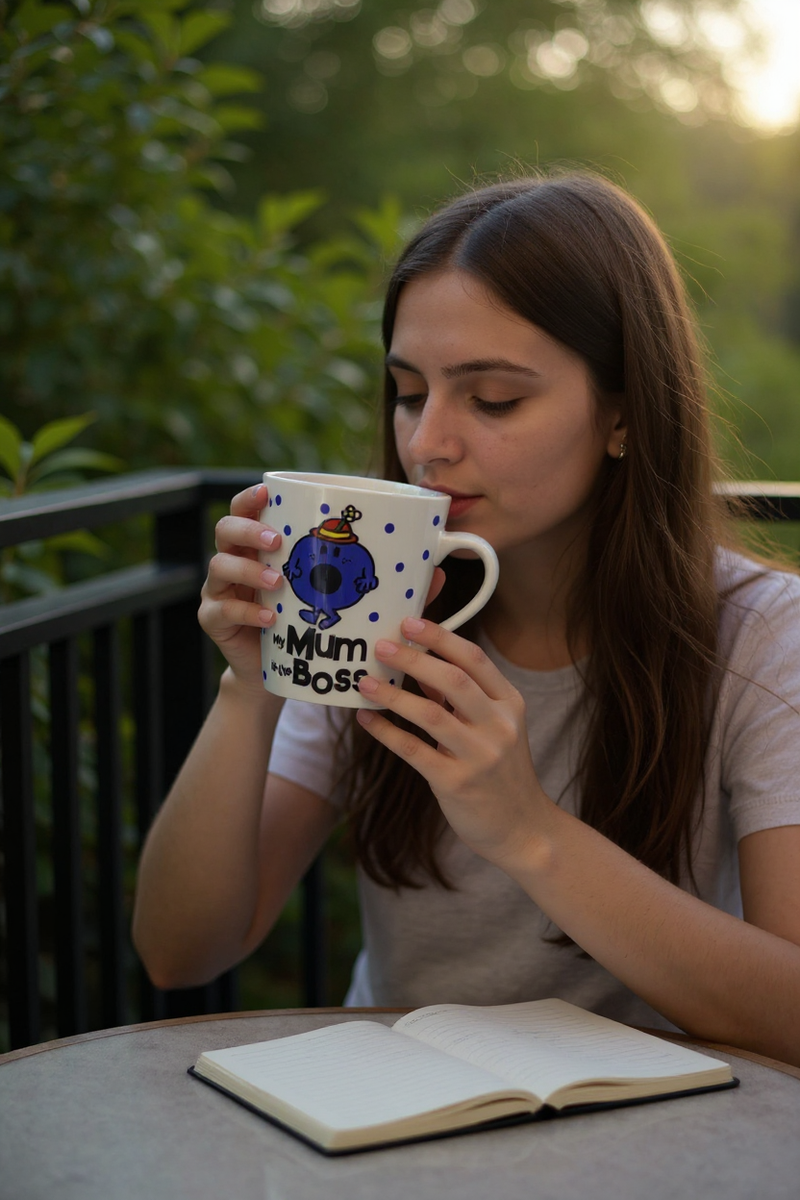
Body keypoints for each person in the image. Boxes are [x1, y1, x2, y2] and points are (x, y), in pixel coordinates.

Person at [132, 171, 800, 1066]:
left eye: (493, 399)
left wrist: (525, 830)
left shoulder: (761, 636)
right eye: (410, 392)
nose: (427, 443)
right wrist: (250, 688)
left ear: (625, 413)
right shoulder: (372, 622)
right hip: (386, 1120)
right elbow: (181, 952)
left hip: (646, 1135)